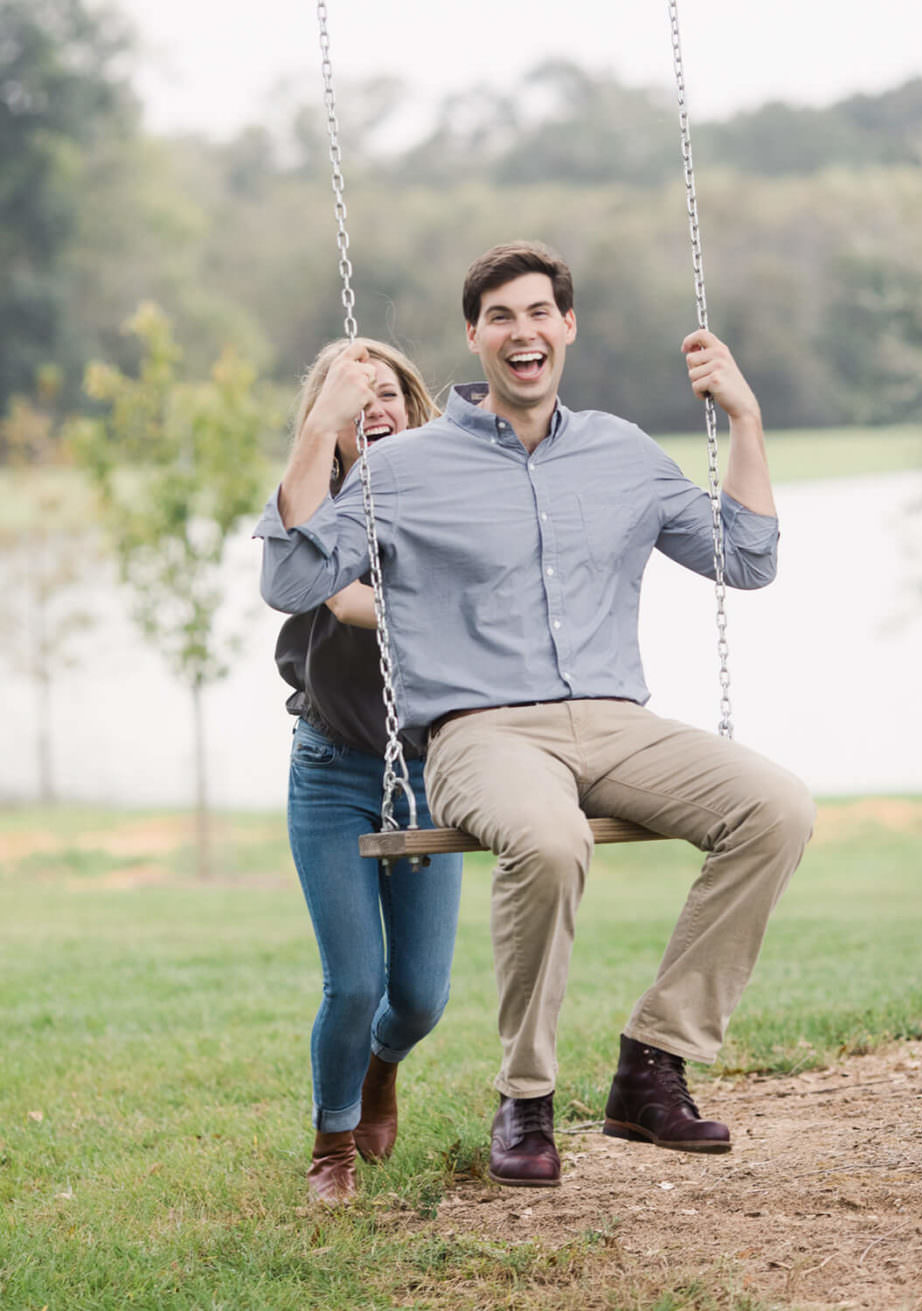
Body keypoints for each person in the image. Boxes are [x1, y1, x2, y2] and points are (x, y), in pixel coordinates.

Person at [257, 240, 815, 1189]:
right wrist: (321, 433)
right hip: (481, 730)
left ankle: (653, 1061)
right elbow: (291, 574)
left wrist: (747, 419)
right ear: (474, 337)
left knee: (778, 808)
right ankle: (525, 1097)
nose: (524, 332)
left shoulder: (622, 451)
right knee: (550, 842)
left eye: (539, 313)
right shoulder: (409, 468)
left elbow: (746, 558)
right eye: (501, 317)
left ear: (567, 327)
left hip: (613, 718)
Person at [276, 338, 464, 1206]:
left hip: (429, 770)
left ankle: (384, 1069)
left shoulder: (453, 496)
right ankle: (332, 1144)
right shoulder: (313, 508)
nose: (374, 408)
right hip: (332, 772)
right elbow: (345, 599)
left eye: (387, 392)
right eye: (353, 398)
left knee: (419, 997)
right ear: (329, 423)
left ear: (414, 404)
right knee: (353, 982)